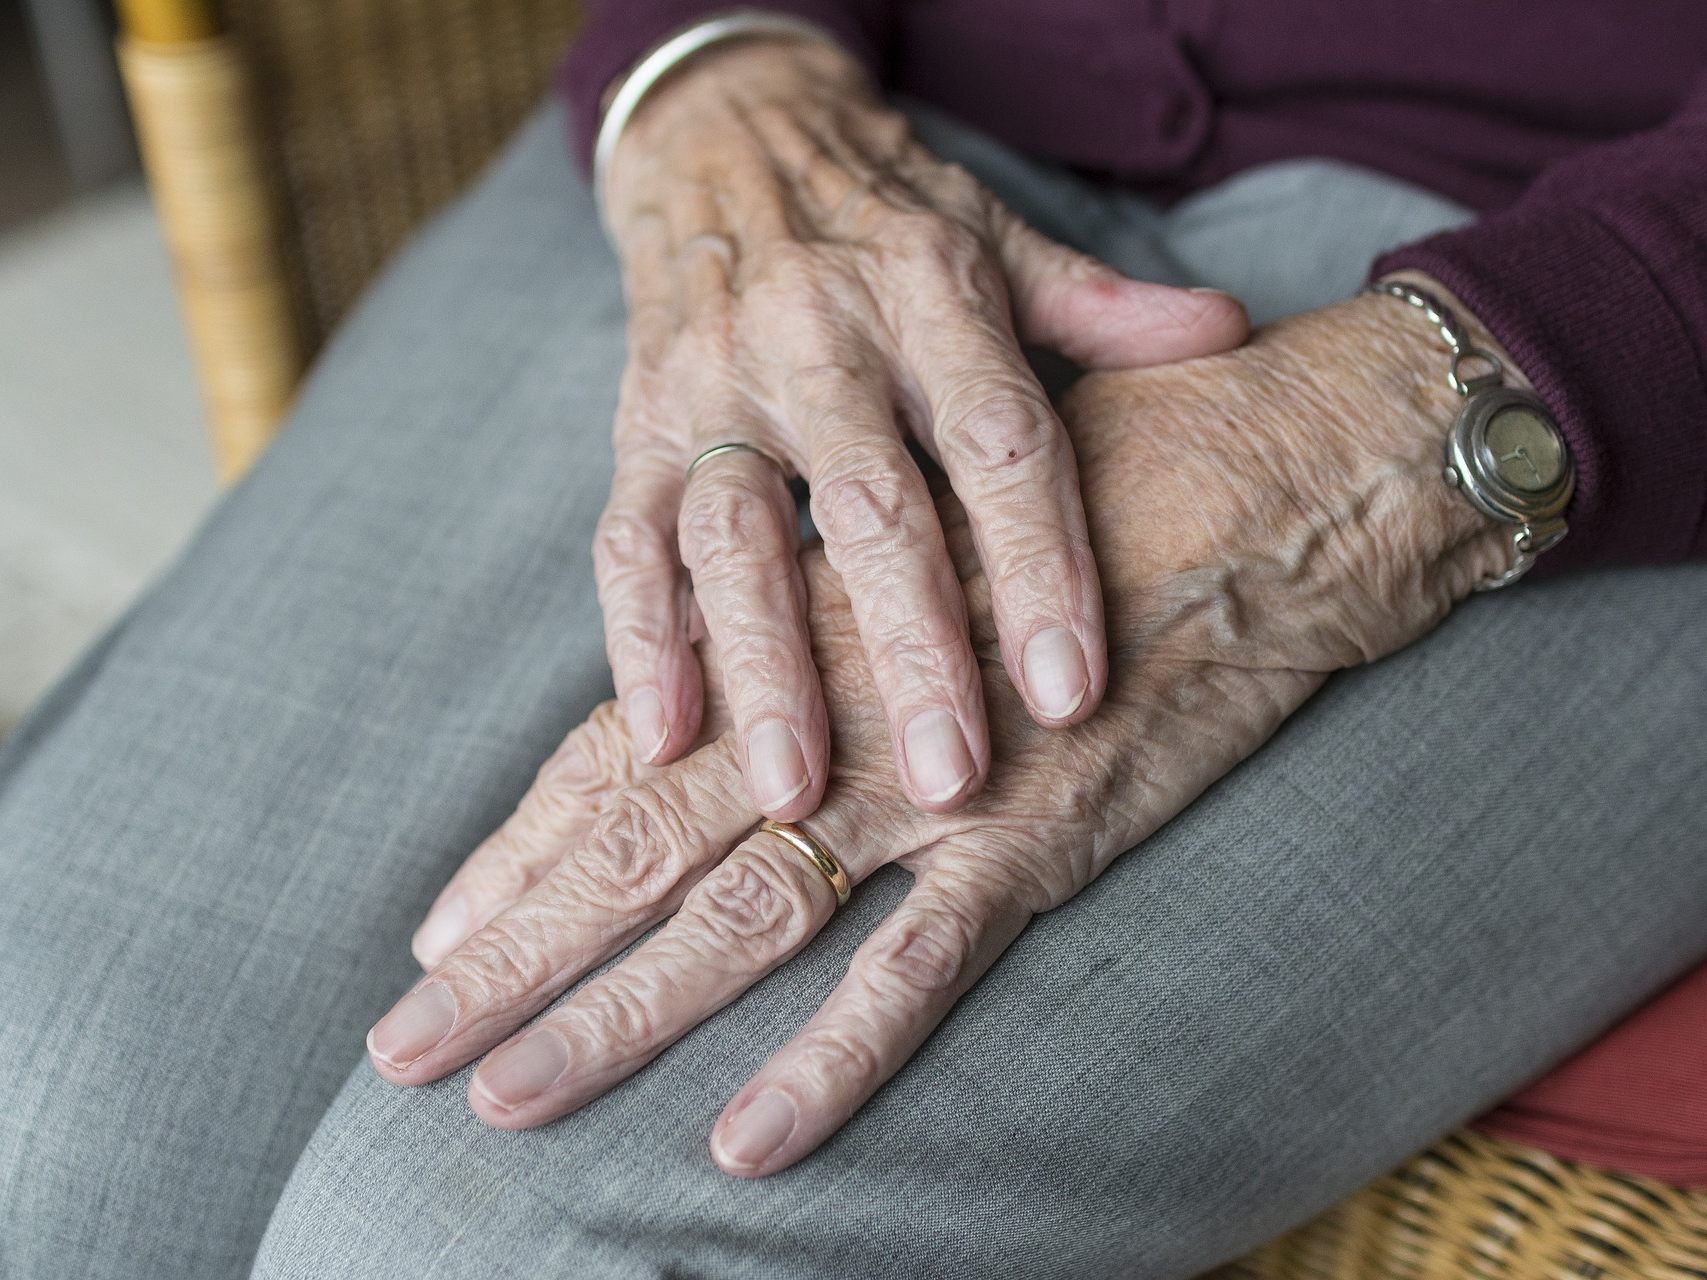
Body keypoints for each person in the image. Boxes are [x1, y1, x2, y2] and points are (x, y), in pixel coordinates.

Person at [0, 3, 1703, 1277]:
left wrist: (1418, 424)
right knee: (41, 1098)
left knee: (488, 1240)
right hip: (847, 97)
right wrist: (714, 61)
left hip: (1593, 299)